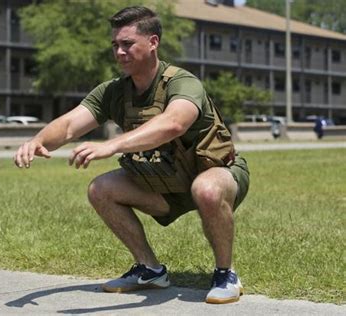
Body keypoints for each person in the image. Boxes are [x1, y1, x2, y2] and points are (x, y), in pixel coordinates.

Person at [14, 6, 250, 304]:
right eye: (115, 45)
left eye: (127, 44)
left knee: (206, 189)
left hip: (215, 172)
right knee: (101, 189)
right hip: (166, 183)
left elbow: (174, 123)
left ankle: (225, 273)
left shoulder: (182, 82)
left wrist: (113, 145)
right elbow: (71, 124)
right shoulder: (112, 92)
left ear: (153, 42)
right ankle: (150, 270)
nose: (119, 52)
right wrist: (38, 141)